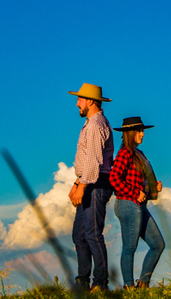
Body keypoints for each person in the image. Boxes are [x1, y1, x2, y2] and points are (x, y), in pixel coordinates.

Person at [68, 82, 115, 292]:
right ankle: (83, 281)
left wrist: (82, 185)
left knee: (93, 234)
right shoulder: (91, 123)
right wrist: (77, 182)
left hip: (96, 184)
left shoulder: (96, 125)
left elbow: (94, 161)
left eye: (79, 99)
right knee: (79, 234)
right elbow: (88, 161)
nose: (77, 103)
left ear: (90, 101)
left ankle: (100, 283)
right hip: (89, 183)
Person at [108, 116, 165, 289]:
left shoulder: (139, 154)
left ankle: (143, 284)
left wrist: (152, 186)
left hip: (140, 205)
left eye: (143, 131)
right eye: (139, 131)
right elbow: (114, 178)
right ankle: (129, 287)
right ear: (131, 133)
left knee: (158, 245)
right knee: (129, 248)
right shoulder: (125, 152)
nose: (142, 134)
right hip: (127, 204)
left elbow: (140, 182)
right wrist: (135, 192)